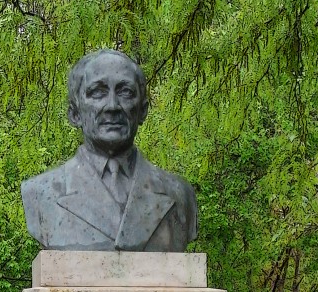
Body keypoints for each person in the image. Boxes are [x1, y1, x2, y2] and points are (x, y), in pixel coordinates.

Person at [21, 49, 198, 251]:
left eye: (125, 92)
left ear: (143, 111)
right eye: (97, 92)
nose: (112, 106)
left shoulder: (179, 194)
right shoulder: (40, 193)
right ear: (74, 113)